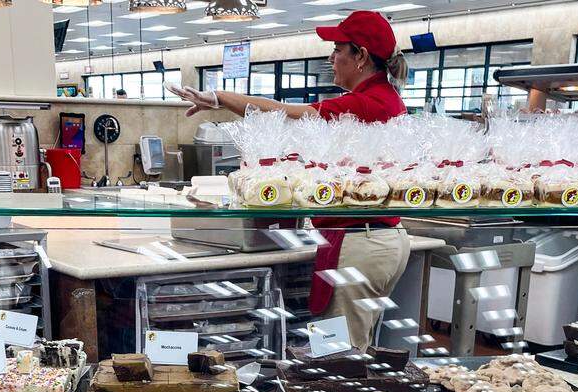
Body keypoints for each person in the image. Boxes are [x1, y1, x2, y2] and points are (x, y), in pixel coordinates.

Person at [168, 11, 411, 348]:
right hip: (380, 241)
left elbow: (287, 116)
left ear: (361, 57)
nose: (331, 58)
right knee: (354, 344)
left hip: (362, 242)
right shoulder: (385, 98)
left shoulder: (367, 103)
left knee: (335, 351)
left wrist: (221, 99)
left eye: (338, 49)